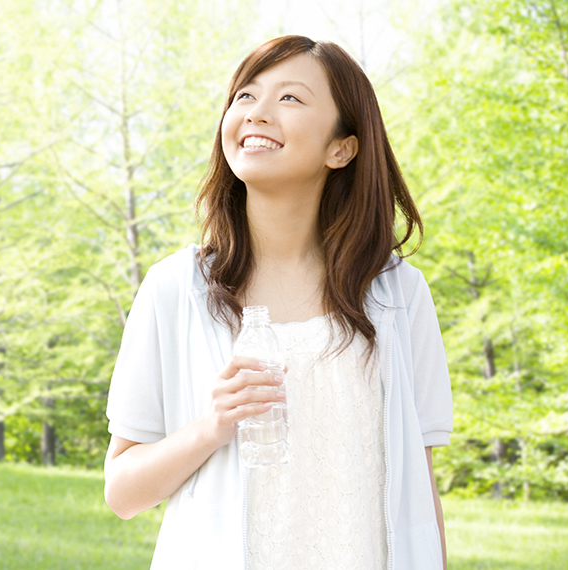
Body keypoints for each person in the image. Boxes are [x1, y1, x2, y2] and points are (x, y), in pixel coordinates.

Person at [103, 35, 453, 570]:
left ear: (343, 147)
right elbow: (122, 492)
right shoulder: (176, 288)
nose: (256, 113)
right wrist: (211, 427)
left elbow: (419, 495)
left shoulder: (400, 295)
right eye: (245, 96)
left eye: (289, 99)